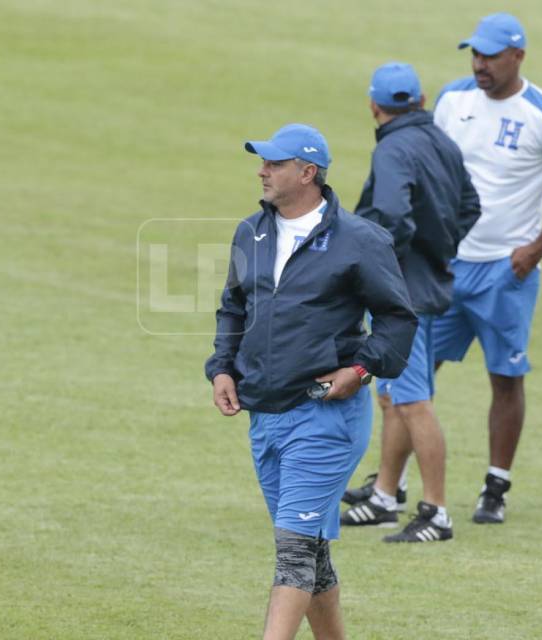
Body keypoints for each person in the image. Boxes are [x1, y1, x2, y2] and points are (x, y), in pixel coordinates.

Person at [205, 123, 417, 640]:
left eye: (274, 164)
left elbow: (397, 319)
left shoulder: (360, 241)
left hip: (326, 417)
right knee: (313, 553)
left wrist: (361, 370)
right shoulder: (250, 232)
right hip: (265, 416)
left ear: (308, 173)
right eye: (263, 162)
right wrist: (223, 368)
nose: (262, 171)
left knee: (293, 552)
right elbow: (234, 307)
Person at [431, 13, 542, 523]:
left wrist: (536, 249)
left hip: (507, 272)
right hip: (447, 267)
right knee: (412, 373)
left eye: (490, 56)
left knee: (505, 377)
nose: (479, 65)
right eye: (474, 55)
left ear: (517, 56)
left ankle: (495, 487)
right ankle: (390, 484)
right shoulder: (452, 100)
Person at [337, 62, 480, 543]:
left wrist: (381, 266)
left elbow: (394, 214)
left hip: (403, 292)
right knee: (393, 395)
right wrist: (438, 250)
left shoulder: (394, 148)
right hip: (431, 283)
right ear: (419, 101)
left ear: (374, 106)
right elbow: (470, 206)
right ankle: (383, 495)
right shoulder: (442, 141)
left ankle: (436, 512)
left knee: (415, 401)